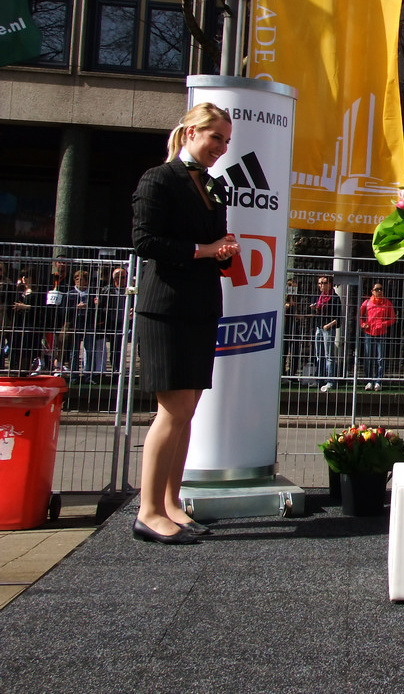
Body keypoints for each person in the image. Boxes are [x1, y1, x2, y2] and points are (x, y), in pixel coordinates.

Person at [132, 102, 239, 545]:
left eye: (226, 141)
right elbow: (144, 241)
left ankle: (171, 503)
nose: (221, 147)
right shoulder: (158, 179)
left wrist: (223, 251)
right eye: (215, 137)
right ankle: (148, 511)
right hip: (166, 308)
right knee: (172, 412)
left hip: (200, 306)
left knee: (186, 412)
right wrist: (204, 250)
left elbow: (213, 245)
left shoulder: (214, 185)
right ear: (191, 131)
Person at [358, 283, 396, 391]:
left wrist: (383, 324)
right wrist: (363, 324)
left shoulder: (387, 303)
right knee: (368, 357)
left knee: (380, 358)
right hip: (369, 333)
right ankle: (369, 380)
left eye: (381, 289)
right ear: (372, 291)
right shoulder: (367, 302)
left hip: (381, 333)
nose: (379, 291)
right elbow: (359, 316)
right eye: (377, 289)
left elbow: (393, 318)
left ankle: (378, 381)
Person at [310, 275, 342, 393]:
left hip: (328, 328)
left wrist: (328, 325)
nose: (321, 285)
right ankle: (319, 379)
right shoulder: (319, 297)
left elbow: (338, 317)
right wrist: (315, 308)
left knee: (329, 355)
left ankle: (330, 380)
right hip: (319, 327)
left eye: (323, 283)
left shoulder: (335, 298)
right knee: (319, 355)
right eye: (319, 283)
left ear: (329, 284)